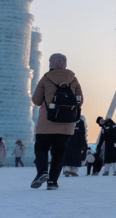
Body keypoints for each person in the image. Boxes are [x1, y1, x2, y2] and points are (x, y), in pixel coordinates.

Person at [30, 53, 84, 190]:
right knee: (59, 153)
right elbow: (80, 100)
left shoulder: (46, 78)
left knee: (41, 148)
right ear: (65, 63)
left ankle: (42, 172)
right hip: (66, 124)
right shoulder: (73, 79)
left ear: (51, 64)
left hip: (46, 123)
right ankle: (53, 182)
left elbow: (36, 101)